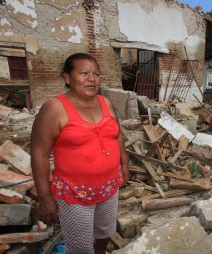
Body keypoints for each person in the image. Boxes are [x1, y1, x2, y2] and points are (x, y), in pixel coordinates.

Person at [30, 53, 129, 254]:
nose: (91, 79)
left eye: (96, 74)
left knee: (105, 231)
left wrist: (124, 164)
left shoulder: (106, 103)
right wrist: (45, 197)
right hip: (74, 192)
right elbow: (39, 154)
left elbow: (117, 136)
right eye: (84, 73)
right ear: (67, 77)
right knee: (80, 246)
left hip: (110, 186)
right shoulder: (54, 109)